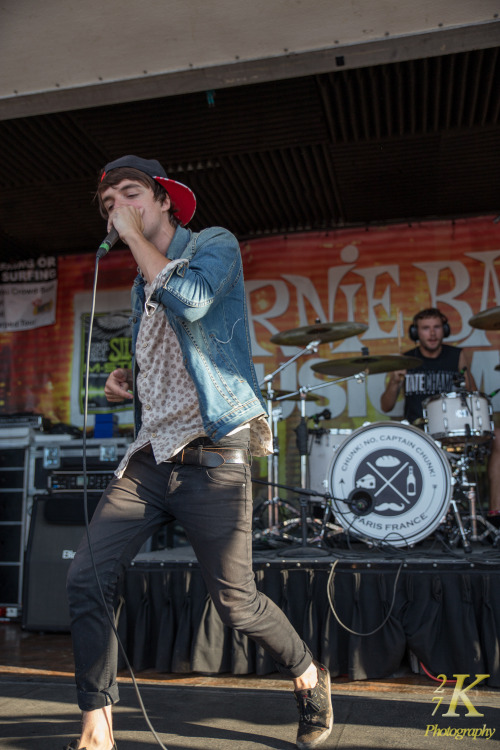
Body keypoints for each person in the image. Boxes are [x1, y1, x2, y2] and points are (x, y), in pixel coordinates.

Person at [65, 155, 333, 750]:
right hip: (152, 456)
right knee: (86, 577)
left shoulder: (214, 243)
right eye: (109, 205)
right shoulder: (139, 281)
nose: (118, 209)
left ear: (163, 200)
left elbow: (191, 301)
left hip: (214, 448)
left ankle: (309, 671)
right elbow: (167, 352)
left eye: (130, 195)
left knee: (236, 603)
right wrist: (128, 379)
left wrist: (133, 238)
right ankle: (97, 723)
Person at [380, 307, 476, 425]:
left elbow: (474, 396)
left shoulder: (456, 355)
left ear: (445, 330)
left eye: (437, 327)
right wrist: (394, 382)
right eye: (426, 328)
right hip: (416, 431)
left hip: (450, 428)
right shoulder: (406, 359)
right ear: (415, 332)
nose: (432, 333)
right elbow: (386, 407)